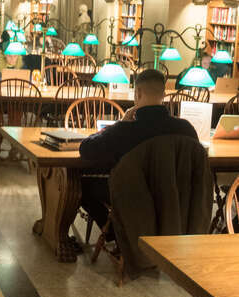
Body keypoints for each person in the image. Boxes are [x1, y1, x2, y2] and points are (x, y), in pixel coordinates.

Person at [78, 68, 198, 230]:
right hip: (174, 200)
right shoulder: (186, 129)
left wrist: (119, 123)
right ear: (163, 94)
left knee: (80, 184)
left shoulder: (123, 130)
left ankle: (115, 232)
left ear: (137, 93)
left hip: (133, 199)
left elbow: (86, 150)